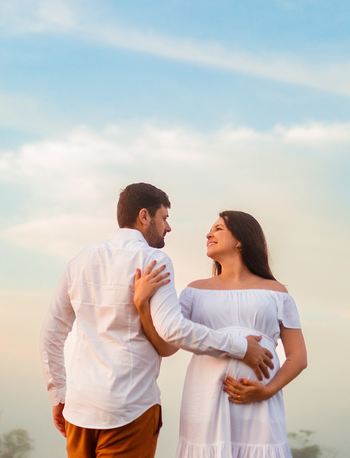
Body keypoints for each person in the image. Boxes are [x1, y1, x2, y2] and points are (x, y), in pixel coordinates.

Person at [41, 184, 275, 458]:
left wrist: (58, 396)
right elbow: (173, 330)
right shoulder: (153, 259)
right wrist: (241, 347)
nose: (168, 227)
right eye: (164, 218)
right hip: (130, 408)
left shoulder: (80, 260)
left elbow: (51, 334)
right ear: (144, 216)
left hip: (80, 408)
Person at [133, 211, 307, 458]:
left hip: (258, 403)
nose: (209, 234)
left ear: (240, 240)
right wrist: (141, 304)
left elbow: (298, 357)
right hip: (205, 401)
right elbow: (166, 346)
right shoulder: (194, 291)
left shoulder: (276, 291)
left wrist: (268, 391)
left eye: (218, 229)